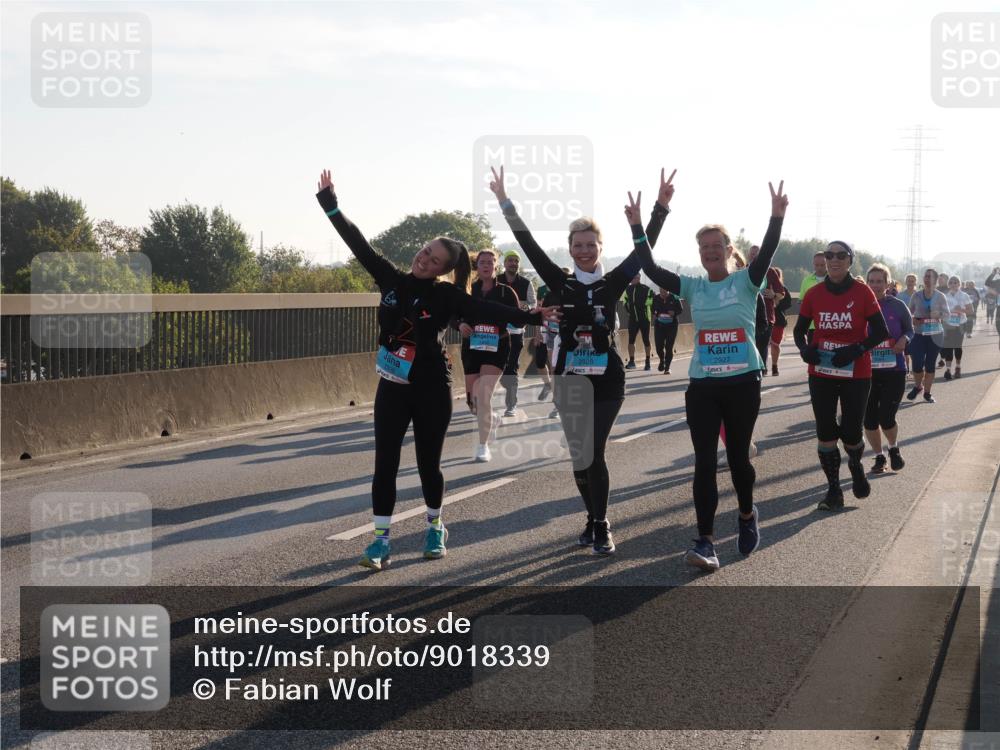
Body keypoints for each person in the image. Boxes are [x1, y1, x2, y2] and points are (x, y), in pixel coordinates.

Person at [315, 169, 556, 571]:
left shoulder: (445, 295)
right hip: (392, 384)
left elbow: (486, 309)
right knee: (385, 464)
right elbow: (357, 243)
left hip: (431, 386)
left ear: (443, 269)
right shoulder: (392, 279)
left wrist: (531, 315)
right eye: (425, 251)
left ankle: (434, 526)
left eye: (434, 260)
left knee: (428, 463)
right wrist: (330, 204)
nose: (423, 259)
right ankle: (380, 541)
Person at [490, 165, 672, 555]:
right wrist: (505, 202)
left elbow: (643, 253)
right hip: (570, 375)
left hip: (607, 378)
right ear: (570, 249)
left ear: (600, 248)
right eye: (578, 245)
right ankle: (591, 517)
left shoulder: (613, 281)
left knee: (593, 449)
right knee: (578, 454)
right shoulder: (561, 282)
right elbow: (528, 244)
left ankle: (602, 525)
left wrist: (658, 210)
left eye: (591, 245)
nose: (585, 251)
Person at [631, 174, 788, 571]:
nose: (710, 252)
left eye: (717, 246)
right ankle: (705, 541)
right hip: (703, 385)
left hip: (742, 383)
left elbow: (768, 251)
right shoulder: (692, 287)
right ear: (699, 254)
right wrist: (641, 222)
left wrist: (776, 216)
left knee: (737, 458)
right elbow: (649, 267)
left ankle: (747, 515)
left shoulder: (746, 281)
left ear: (729, 250)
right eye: (704, 248)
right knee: (704, 461)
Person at [794, 241, 889, 511]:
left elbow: (881, 332)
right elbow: (799, 331)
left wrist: (856, 349)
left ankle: (856, 465)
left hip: (856, 372)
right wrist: (805, 350)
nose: (834, 260)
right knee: (825, 432)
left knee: (851, 433)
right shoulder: (814, 293)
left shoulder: (862, 291)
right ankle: (834, 490)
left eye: (840, 255)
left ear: (849, 261)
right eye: (829, 255)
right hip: (822, 371)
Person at [457, 249, 524, 462]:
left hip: (497, 346)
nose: (486, 265)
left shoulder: (506, 292)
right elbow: (453, 315)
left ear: (496, 265)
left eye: (490, 262)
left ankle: (482, 445)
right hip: (472, 347)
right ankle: (492, 418)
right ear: (476, 266)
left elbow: (518, 319)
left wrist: (526, 315)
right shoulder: (468, 290)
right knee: (473, 403)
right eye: (482, 262)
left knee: (483, 395)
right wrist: (460, 324)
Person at [863, 263, 913, 474]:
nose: (875, 285)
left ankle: (893, 448)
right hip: (867, 371)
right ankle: (879, 456)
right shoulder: (859, 305)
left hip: (894, 370)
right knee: (869, 420)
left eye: (879, 281)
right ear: (867, 283)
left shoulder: (897, 305)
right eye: (871, 281)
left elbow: (910, 330)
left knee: (886, 417)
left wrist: (903, 340)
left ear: (887, 283)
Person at [497, 249, 536, 418]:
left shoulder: (526, 283)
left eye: (516, 261)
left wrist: (521, 307)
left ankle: (511, 404)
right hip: (497, 333)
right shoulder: (496, 280)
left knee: (511, 367)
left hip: (516, 331)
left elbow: (533, 304)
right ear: (504, 263)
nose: (513, 263)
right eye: (510, 260)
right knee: (499, 369)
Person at [906, 268, 949, 403]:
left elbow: (947, 315)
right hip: (918, 334)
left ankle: (927, 393)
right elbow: (908, 314)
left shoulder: (940, 296)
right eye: (925, 276)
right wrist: (913, 319)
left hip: (935, 335)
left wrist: (939, 314)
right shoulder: (916, 295)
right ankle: (918, 386)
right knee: (917, 364)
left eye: (930, 277)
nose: (927, 279)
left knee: (930, 364)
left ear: (935, 280)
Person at [748, 245, 786, 373]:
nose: (753, 256)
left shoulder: (770, 272)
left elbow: (782, 293)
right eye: (751, 254)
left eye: (756, 254)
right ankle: (752, 369)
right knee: (749, 345)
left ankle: (762, 369)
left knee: (762, 344)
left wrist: (774, 295)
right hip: (748, 315)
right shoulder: (744, 271)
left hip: (767, 316)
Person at [941, 276, 974, 380]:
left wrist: (961, 310)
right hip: (948, 324)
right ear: (948, 285)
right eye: (951, 282)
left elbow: (971, 311)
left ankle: (958, 368)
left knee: (957, 347)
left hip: (960, 324)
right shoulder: (945, 296)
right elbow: (942, 311)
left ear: (959, 284)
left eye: (955, 282)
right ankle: (948, 370)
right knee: (948, 347)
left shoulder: (964, 295)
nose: (953, 284)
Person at [623, 274, 654, 370]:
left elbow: (651, 302)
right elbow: (625, 301)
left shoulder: (646, 289)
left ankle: (648, 362)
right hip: (633, 319)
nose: (631, 280)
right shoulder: (628, 289)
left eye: (633, 278)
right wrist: (629, 310)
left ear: (638, 278)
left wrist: (647, 312)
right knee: (631, 340)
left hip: (644, 319)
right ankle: (632, 361)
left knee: (646, 340)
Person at [652, 286, 683, 373]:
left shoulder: (674, 297)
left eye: (665, 292)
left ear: (668, 291)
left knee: (669, 347)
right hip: (659, 325)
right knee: (659, 347)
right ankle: (662, 360)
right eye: (661, 292)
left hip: (672, 326)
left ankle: (667, 367)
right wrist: (656, 314)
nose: (663, 294)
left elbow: (680, 309)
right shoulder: (656, 298)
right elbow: (652, 309)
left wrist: (674, 312)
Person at [799, 251, 828, 345]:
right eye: (817, 265)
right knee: (813, 352)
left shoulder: (834, 279)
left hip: (830, 325)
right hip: (812, 326)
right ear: (813, 264)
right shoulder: (806, 281)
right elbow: (801, 301)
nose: (819, 268)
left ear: (827, 263)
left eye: (822, 265)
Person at [769, 266, 792, 376]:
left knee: (775, 345)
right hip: (765, 320)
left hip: (778, 321)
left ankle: (774, 365)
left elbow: (788, 304)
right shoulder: (764, 287)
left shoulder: (783, 290)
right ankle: (762, 366)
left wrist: (776, 300)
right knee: (761, 345)